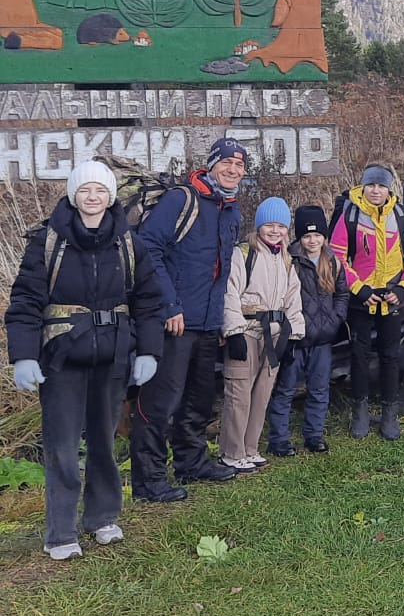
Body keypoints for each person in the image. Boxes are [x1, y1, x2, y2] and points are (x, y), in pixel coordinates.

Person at [7, 162, 166, 559]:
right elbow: (25, 302)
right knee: (62, 446)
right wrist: (23, 356)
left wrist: (148, 350)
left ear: (110, 196)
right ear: (73, 195)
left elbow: (148, 301)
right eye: (84, 190)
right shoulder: (47, 241)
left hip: (112, 356)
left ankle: (102, 518)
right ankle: (60, 532)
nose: (92, 197)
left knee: (104, 441)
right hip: (62, 358)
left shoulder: (129, 243)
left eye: (99, 190)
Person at [130, 137, 246, 502]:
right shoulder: (182, 199)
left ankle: (191, 462)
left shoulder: (231, 210)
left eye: (240, 165)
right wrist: (170, 305)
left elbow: (222, 270)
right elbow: (148, 247)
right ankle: (148, 481)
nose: (233, 170)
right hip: (175, 321)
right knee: (160, 402)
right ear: (211, 165)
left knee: (198, 399)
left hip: (208, 322)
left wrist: (222, 321)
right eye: (226, 162)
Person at [331, 163, 404, 441]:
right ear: (363, 186)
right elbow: (335, 256)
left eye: (381, 185)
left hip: (393, 298)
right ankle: (359, 410)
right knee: (359, 356)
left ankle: (389, 412)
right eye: (371, 185)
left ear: (389, 188)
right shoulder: (349, 213)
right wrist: (359, 288)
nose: (376, 191)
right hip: (361, 299)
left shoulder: (401, 215)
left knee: (390, 356)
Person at [218, 198, 305, 471]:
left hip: (275, 335)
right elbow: (229, 294)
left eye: (280, 226)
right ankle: (232, 452)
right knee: (239, 393)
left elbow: (293, 300)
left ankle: (250, 448)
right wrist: (232, 332)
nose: (275, 231)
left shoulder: (287, 259)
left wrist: (294, 336)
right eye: (270, 225)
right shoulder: (243, 254)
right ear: (259, 226)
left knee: (262, 393)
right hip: (247, 331)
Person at [267, 205, 348, 455]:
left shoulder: (332, 260)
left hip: (323, 339)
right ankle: (278, 439)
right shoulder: (288, 260)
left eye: (317, 235)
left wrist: (336, 319)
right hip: (295, 339)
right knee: (285, 389)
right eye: (307, 236)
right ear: (299, 237)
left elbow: (342, 293)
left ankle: (314, 435)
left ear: (324, 237)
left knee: (320, 389)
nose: (312, 241)